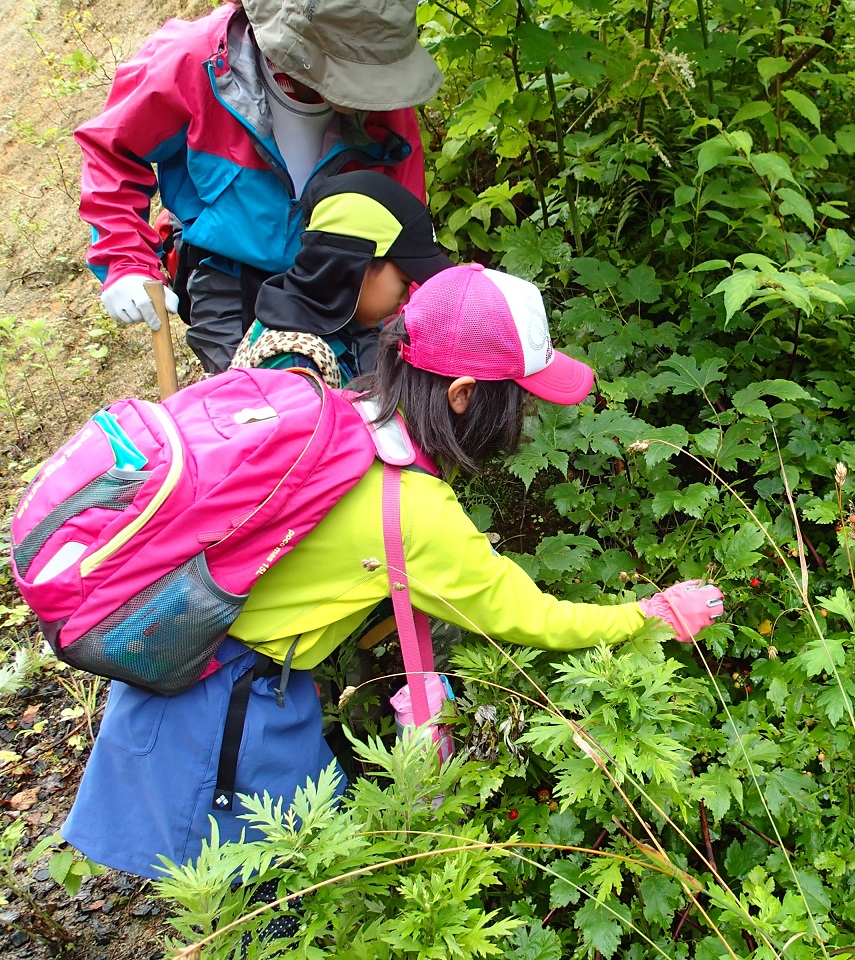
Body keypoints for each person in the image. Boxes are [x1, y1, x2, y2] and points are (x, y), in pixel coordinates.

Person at [61, 264, 726, 879]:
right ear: (464, 394)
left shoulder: (352, 412)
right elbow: (536, 618)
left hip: (202, 664)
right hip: (224, 712)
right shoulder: (414, 509)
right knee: (282, 900)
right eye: (518, 402)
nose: (521, 422)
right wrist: (651, 614)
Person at [77, 0, 442, 373]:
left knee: (362, 407)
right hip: (228, 274)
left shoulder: (384, 101)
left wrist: (420, 324)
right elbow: (113, 149)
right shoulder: (194, 64)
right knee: (262, 412)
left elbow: (405, 226)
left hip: (345, 277)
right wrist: (125, 260)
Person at [231, 170, 454, 387]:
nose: (406, 297)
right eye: (404, 283)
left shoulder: (336, 322)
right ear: (356, 265)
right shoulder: (294, 364)